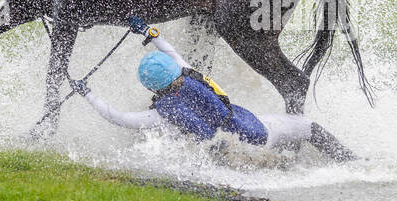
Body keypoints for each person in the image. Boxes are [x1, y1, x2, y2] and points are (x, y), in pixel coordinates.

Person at [79, 23, 357, 162]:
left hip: (231, 153)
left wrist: (87, 93)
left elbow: (118, 118)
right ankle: (352, 163)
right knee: (309, 128)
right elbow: (171, 53)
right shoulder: (192, 76)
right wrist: (152, 34)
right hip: (259, 132)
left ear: (151, 87)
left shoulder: (159, 115)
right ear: (175, 73)